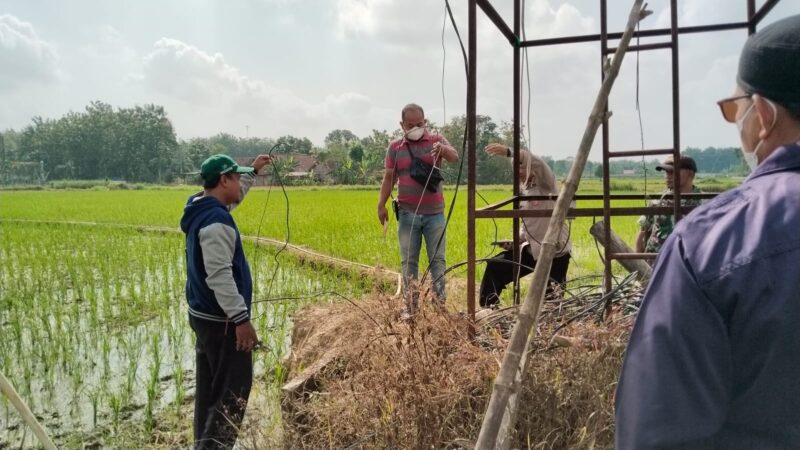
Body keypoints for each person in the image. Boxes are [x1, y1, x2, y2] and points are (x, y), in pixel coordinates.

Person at [616, 14, 800, 449]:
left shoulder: (712, 240)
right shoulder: (676, 217)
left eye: (733, 108)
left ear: (763, 115)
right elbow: (643, 236)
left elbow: (658, 429)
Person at [180, 153, 272, 449]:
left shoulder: (200, 207)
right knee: (233, 392)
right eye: (236, 177)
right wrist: (241, 320)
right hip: (223, 324)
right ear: (223, 180)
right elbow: (219, 277)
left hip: (203, 318)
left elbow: (233, 199)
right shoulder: (217, 223)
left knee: (209, 393)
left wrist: (253, 171)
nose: (238, 184)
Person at [377, 103, 459, 316]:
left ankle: (440, 306)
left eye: (419, 124)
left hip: (435, 215)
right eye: (410, 125)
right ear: (402, 125)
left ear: (426, 122)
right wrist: (381, 205)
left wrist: (444, 149)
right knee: (409, 262)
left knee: (438, 261)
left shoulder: (436, 141)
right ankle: (410, 307)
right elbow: (389, 178)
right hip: (407, 214)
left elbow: (454, 157)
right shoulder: (395, 147)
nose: (415, 128)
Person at [479, 143, 571, 308]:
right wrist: (516, 242)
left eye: (522, 166)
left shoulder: (546, 183)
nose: (520, 172)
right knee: (496, 266)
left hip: (554, 252)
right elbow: (528, 226)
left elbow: (538, 163)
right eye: (516, 168)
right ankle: (489, 310)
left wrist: (510, 152)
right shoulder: (525, 190)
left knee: (551, 303)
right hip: (532, 250)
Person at [635, 154, 702, 254]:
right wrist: (638, 262)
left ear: (690, 174)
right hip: (655, 263)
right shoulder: (657, 201)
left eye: (672, 172)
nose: (667, 176)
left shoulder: (705, 203)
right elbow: (642, 233)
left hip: (688, 264)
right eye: (666, 172)